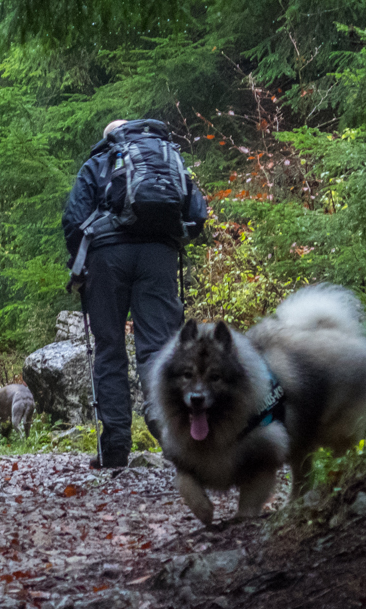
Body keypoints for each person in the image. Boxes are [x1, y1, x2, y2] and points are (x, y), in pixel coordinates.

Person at [62, 118, 207, 468]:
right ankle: (163, 419)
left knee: (110, 347)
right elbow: (197, 213)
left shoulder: (98, 162)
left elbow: (73, 218)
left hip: (107, 257)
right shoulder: (168, 158)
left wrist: (81, 262)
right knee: (158, 346)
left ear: (108, 137)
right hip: (158, 255)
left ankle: (114, 446)